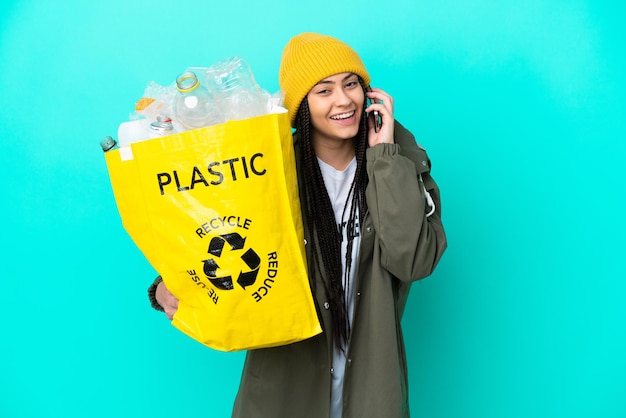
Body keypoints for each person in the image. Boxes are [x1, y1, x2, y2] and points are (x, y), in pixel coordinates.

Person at [147, 32, 447, 418]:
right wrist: (166, 286)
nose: (343, 100)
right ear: (301, 106)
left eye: (351, 84)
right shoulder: (265, 174)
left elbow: (414, 261)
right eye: (324, 90)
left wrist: (385, 156)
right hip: (282, 394)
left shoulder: (399, 166)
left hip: (373, 393)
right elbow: (217, 234)